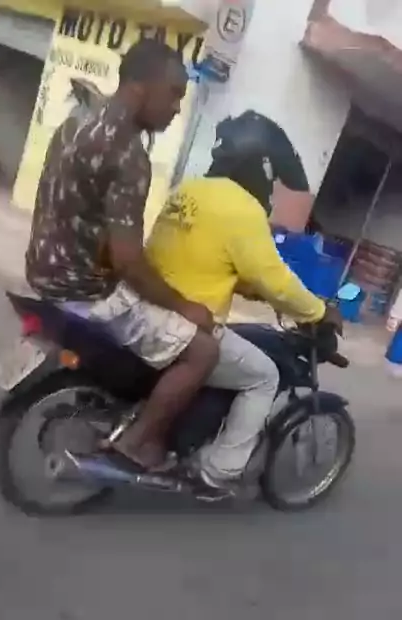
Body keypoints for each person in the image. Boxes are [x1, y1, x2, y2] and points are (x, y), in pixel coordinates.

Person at [25, 40, 219, 472]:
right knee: (203, 352)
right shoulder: (128, 153)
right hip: (88, 291)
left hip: (42, 271)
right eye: (173, 94)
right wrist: (185, 305)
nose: (176, 108)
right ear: (139, 86)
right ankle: (140, 442)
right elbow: (128, 260)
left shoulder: (76, 121)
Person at [143, 110, 343, 492]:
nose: (271, 187)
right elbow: (276, 280)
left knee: (242, 348)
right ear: (262, 166)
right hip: (186, 325)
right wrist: (320, 311)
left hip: (153, 305)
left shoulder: (190, 190)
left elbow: (201, 258)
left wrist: (251, 289)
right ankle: (219, 470)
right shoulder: (242, 208)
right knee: (264, 376)